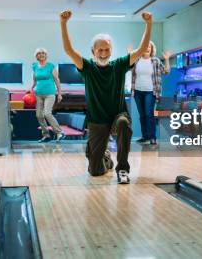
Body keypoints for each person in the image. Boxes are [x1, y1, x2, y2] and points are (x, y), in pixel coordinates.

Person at [59, 9, 153, 184]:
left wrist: (148, 24)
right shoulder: (87, 67)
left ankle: (123, 169)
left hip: (118, 116)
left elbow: (140, 50)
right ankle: (105, 156)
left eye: (107, 49)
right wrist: (63, 23)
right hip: (97, 120)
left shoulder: (119, 65)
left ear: (111, 50)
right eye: (100, 50)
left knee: (124, 123)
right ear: (93, 51)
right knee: (95, 172)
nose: (104, 53)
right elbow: (68, 50)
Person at [129, 42, 170, 145]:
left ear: (152, 49)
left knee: (149, 114)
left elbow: (166, 71)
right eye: (145, 46)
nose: (147, 48)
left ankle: (152, 137)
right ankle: (145, 136)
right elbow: (128, 67)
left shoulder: (155, 61)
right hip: (137, 91)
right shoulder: (136, 60)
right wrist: (130, 55)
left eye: (149, 47)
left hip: (150, 91)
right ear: (141, 48)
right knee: (142, 115)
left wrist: (166, 59)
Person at [31, 48, 65, 142]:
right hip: (38, 94)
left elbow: (57, 80)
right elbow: (35, 80)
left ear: (46, 55)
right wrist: (31, 88)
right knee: (39, 115)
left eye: (43, 53)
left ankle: (59, 132)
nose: (41, 54)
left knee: (47, 113)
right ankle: (46, 135)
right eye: (39, 53)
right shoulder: (34, 66)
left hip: (50, 93)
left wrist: (59, 93)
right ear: (36, 56)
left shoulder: (51, 66)